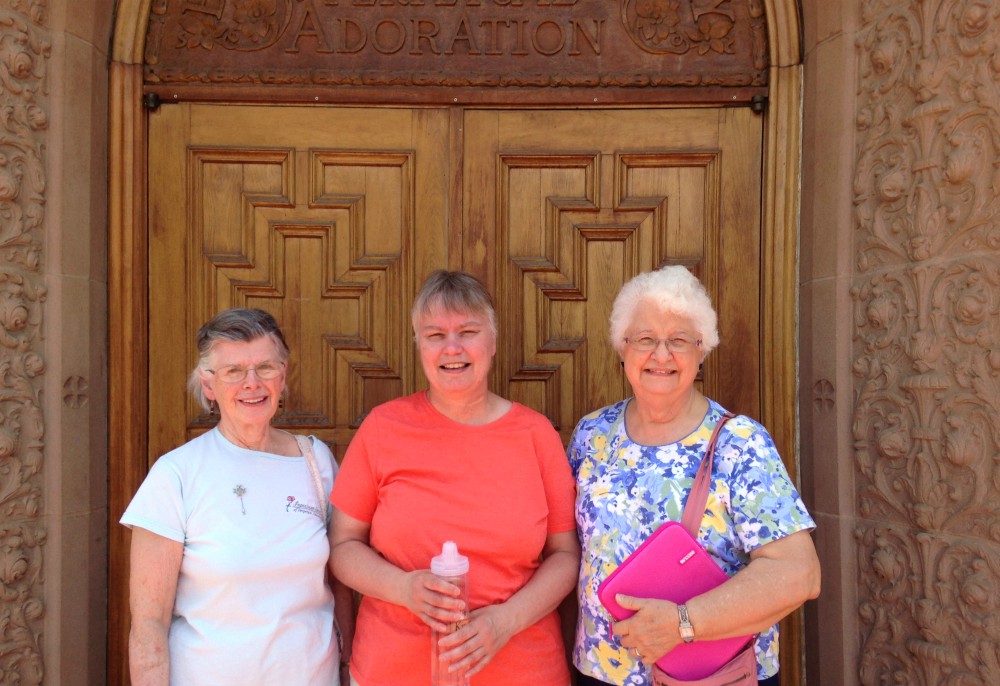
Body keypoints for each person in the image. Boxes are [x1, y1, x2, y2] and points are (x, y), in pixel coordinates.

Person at [569, 266, 821, 686]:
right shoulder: (591, 435)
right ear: (623, 347)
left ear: (702, 351)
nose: (662, 355)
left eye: (680, 340)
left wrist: (684, 623)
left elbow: (800, 574)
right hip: (601, 672)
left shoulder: (740, 443)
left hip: (707, 677)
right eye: (646, 339)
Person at [329, 270, 580, 686]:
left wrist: (504, 621)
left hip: (522, 669)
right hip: (394, 671)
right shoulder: (383, 428)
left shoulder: (536, 435)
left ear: (493, 342)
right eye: (434, 335)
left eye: (468, 331)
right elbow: (342, 546)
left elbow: (565, 556)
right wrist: (403, 588)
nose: (452, 347)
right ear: (418, 345)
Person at [121, 308, 354, 686]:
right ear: (209, 385)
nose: (252, 383)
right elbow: (149, 624)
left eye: (265, 367)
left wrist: (347, 666)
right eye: (233, 371)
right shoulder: (177, 474)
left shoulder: (316, 462)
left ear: (283, 375)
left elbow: (340, 577)